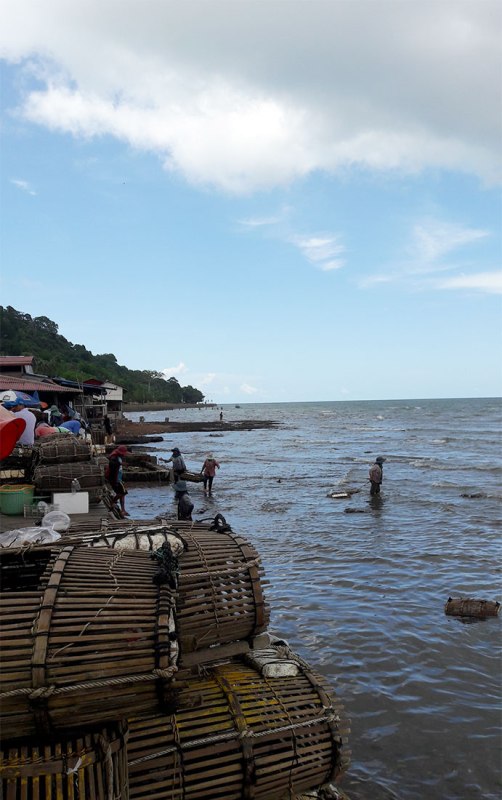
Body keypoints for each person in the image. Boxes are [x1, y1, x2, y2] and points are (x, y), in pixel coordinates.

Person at [107, 444, 131, 518]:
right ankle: (112, 502)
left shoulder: (119, 457)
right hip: (115, 479)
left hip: (118, 478)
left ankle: (123, 510)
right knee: (122, 493)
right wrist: (120, 463)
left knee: (122, 494)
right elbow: (111, 464)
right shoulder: (114, 458)